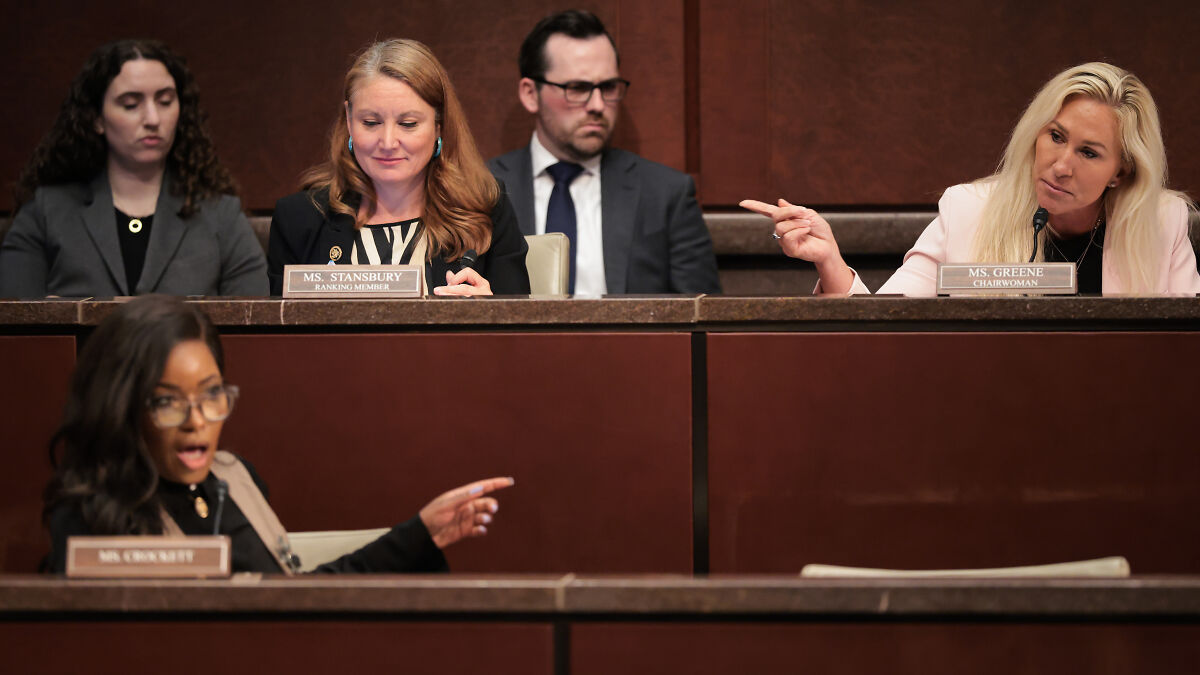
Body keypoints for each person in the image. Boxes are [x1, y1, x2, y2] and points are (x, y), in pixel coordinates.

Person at [43, 295, 513, 574]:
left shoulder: (234, 481)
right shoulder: (88, 514)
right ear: (124, 406)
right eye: (168, 402)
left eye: (211, 395)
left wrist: (418, 534)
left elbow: (294, 602)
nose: (197, 420)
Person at [742, 62, 1200, 296]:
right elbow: (886, 323)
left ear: (1121, 171)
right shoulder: (968, 210)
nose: (1061, 165)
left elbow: (1182, 353)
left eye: (1089, 152)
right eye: (1055, 137)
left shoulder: (1163, 222)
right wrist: (830, 260)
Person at [1, 40, 268, 299]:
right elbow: (18, 330)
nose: (152, 119)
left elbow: (251, 328)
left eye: (165, 102)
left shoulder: (220, 214)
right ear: (96, 119)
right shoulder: (48, 211)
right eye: (131, 104)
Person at [268, 39, 530, 297]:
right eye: (371, 122)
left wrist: (491, 314)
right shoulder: (299, 218)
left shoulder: (484, 206)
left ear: (439, 125)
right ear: (349, 119)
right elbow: (280, 334)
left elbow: (521, 333)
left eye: (408, 123)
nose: (388, 142)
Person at [488, 10, 721, 296]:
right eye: (577, 88)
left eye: (608, 87)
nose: (598, 104)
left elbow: (703, 314)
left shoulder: (665, 194)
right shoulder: (481, 189)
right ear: (530, 94)